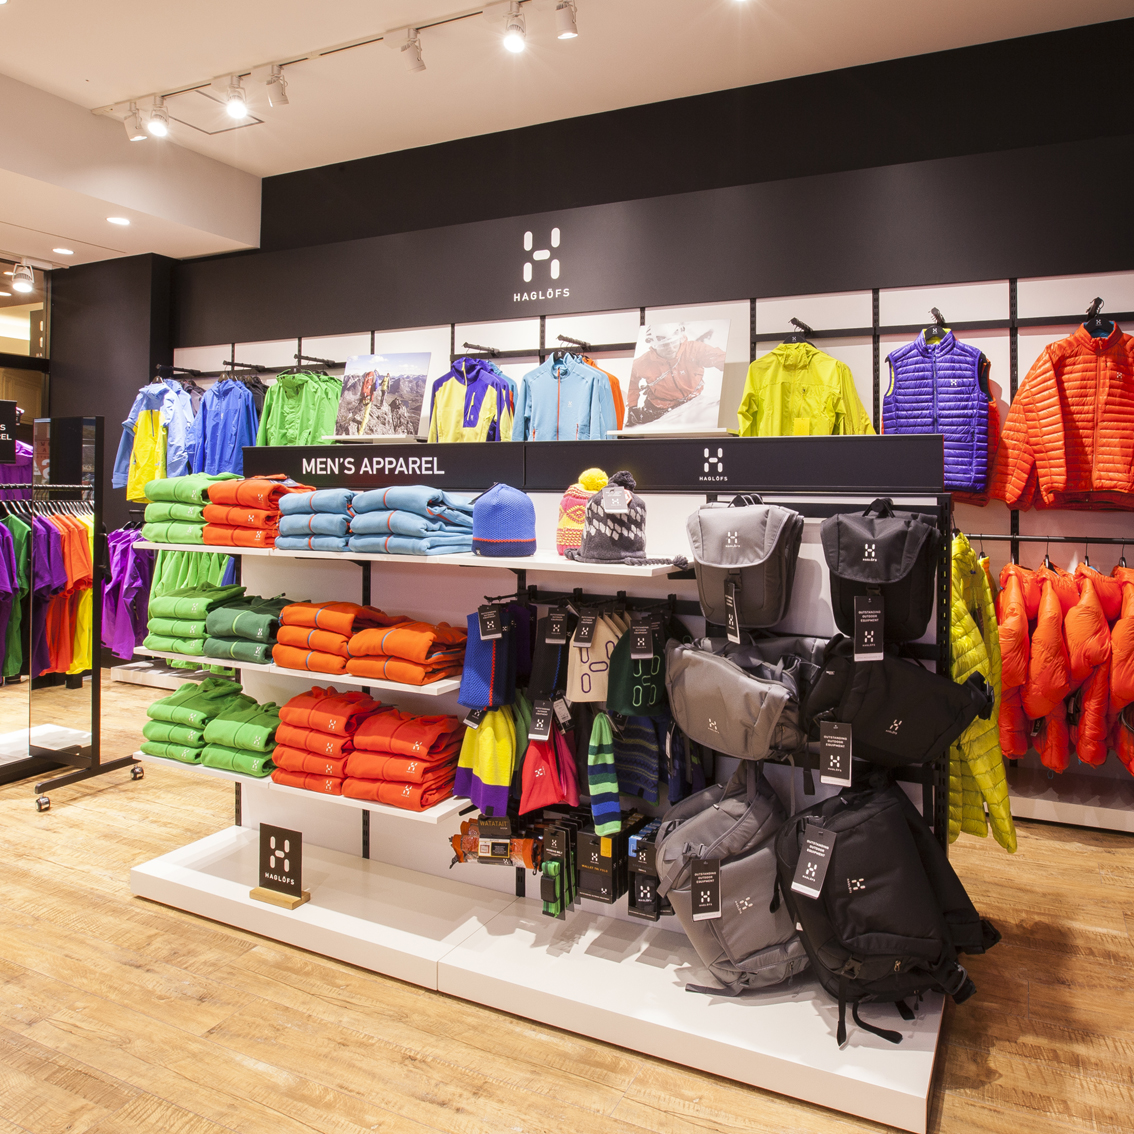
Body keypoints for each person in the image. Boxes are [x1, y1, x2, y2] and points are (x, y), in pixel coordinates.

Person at [628, 325, 727, 426]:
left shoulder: (694, 350)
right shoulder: (643, 362)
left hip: (693, 400)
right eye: (664, 345)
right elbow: (631, 380)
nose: (671, 348)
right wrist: (632, 406)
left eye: (674, 342)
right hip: (658, 407)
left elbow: (723, 360)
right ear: (654, 345)